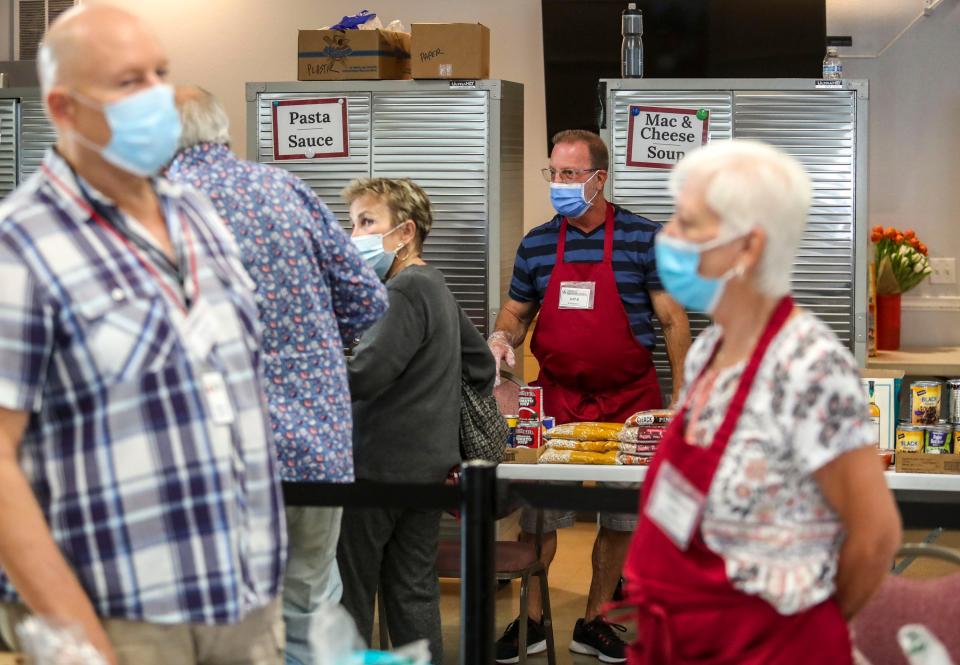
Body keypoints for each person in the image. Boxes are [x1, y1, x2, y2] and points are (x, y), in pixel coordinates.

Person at [0, 6, 288, 664]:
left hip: (245, 606)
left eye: (161, 72)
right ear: (65, 108)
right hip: (122, 621)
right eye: (129, 82)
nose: (159, 95)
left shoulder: (196, 214)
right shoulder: (21, 245)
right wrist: (82, 643)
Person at [622, 140, 902, 664]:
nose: (667, 237)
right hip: (681, 644)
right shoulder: (709, 349)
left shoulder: (808, 365)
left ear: (748, 247)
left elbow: (875, 537)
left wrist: (787, 631)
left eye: (687, 223)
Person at [166, 86, 388, 665]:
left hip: (213, 452)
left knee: (220, 619)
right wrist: (311, 346)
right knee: (310, 601)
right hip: (316, 447)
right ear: (224, 135)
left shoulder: (156, 204)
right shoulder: (284, 188)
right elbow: (368, 298)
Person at [489, 130, 691, 664]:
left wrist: (687, 397)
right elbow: (516, 312)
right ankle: (531, 620)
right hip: (556, 398)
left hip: (632, 400)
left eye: (570, 175)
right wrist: (500, 339)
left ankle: (597, 620)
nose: (559, 184)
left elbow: (672, 320)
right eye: (553, 173)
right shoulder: (537, 243)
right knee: (540, 514)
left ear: (600, 179)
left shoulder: (645, 240)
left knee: (621, 517)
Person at [337, 178, 495, 663]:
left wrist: (312, 363)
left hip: (377, 469)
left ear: (404, 232)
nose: (353, 234)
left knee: (354, 594)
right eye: (351, 222)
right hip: (430, 467)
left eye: (367, 222)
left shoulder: (403, 289)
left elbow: (365, 376)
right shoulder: (434, 282)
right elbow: (482, 365)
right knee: (414, 590)